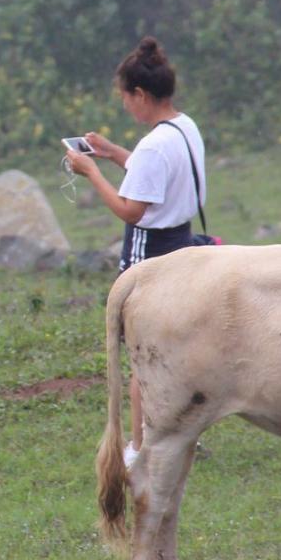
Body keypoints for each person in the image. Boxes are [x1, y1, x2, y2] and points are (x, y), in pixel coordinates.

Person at [63, 36, 213, 467]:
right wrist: (111, 153)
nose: (125, 106)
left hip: (149, 250)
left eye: (125, 98)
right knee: (180, 346)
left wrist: (91, 171)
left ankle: (140, 447)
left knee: (143, 351)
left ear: (141, 95)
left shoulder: (152, 146)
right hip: (183, 244)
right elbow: (154, 174)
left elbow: (132, 210)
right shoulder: (184, 128)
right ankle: (182, 433)